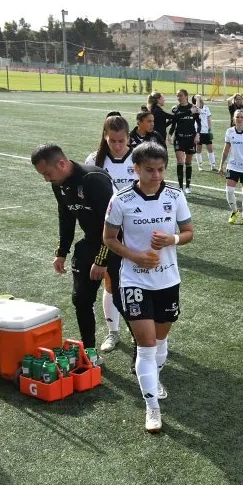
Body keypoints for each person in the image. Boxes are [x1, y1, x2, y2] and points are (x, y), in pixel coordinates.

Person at [103, 142, 193, 433]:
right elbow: (109, 238)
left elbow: (189, 232)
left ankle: (156, 378)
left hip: (168, 280)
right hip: (135, 280)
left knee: (161, 342)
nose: (156, 175)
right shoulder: (121, 200)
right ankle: (152, 407)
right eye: (150, 170)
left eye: (160, 169)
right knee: (146, 345)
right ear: (136, 169)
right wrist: (137, 256)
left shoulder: (175, 196)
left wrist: (173, 240)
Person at [30, 144, 115, 351]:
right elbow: (66, 217)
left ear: (61, 163)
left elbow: (114, 225)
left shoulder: (93, 179)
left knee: (122, 302)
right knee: (81, 300)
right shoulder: (58, 184)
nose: (46, 179)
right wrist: (61, 252)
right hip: (89, 244)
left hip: (117, 246)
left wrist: (102, 260)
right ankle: (90, 353)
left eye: (47, 173)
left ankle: (140, 354)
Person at [86, 115, 137, 353]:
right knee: (110, 281)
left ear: (128, 138)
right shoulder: (94, 161)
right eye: (112, 140)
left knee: (137, 281)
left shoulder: (138, 157)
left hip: (136, 230)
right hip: (107, 232)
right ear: (104, 137)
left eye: (121, 140)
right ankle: (113, 332)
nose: (117, 145)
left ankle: (141, 331)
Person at [167, 89, 201, 195]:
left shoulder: (193, 108)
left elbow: (198, 123)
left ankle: (188, 186)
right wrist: (170, 135)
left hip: (190, 138)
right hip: (179, 138)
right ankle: (180, 187)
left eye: (180, 95)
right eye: (177, 96)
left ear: (186, 96)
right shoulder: (176, 109)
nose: (179, 97)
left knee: (188, 162)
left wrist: (198, 134)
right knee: (180, 161)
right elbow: (173, 123)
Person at [192, 94, 217, 172]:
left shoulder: (206, 108)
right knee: (198, 149)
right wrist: (197, 99)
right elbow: (197, 109)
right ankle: (200, 166)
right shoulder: (194, 108)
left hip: (206, 132)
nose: (200, 98)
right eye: (198, 98)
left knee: (210, 149)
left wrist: (210, 129)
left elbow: (209, 119)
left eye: (200, 97)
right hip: (198, 132)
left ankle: (213, 166)